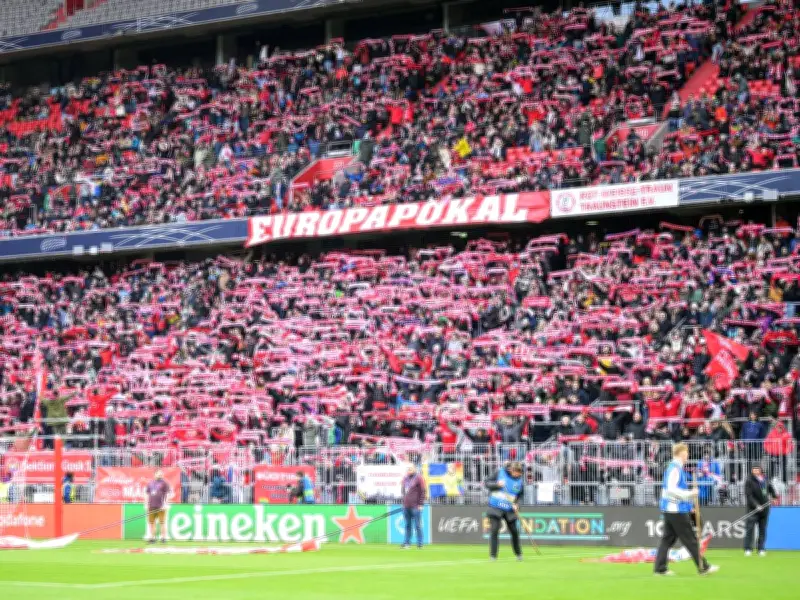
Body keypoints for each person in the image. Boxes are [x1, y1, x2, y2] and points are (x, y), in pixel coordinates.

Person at [653, 443, 719, 576]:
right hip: (676, 510)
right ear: (682, 453)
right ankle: (703, 567)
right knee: (690, 539)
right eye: (686, 452)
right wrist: (690, 494)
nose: (688, 455)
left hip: (672, 509)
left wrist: (689, 504)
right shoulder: (675, 469)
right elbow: (671, 489)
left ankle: (660, 568)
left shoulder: (675, 468)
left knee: (667, 539)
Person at [485, 461, 524, 562]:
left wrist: (517, 504)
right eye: (517, 472)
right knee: (494, 530)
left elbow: (520, 496)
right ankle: (493, 556)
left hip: (509, 509)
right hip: (495, 507)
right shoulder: (499, 473)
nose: (518, 475)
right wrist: (497, 484)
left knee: (515, 531)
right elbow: (487, 483)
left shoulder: (519, 481)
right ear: (511, 470)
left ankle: (519, 554)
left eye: (520, 473)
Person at [744, 465, 777, 556]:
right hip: (753, 510)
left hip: (765, 509)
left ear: (761, 470)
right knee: (749, 529)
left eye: (757, 469)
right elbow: (749, 496)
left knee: (762, 529)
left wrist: (774, 497)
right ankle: (748, 549)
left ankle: (761, 548)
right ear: (752, 470)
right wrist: (756, 505)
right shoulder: (749, 480)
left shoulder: (765, 479)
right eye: (754, 469)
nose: (756, 471)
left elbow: (771, 489)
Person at [401, 464, 426, 549]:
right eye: (408, 469)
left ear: (415, 469)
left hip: (416, 506)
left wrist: (421, 504)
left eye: (411, 469)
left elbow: (423, 491)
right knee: (407, 525)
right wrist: (403, 503)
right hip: (406, 506)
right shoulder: (405, 478)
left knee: (417, 525)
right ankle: (407, 543)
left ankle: (420, 543)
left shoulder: (419, 478)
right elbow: (403, 491)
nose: (409, 470)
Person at [144, 470, 171, 544]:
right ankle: (152, 538)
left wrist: (165, 504)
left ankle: (163, 538)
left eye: (161, 474)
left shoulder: (165, 483)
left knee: (162, 522)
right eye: (158, 474)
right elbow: (147, 494)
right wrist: (146, 504)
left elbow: (168, 494)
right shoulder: (150, 483)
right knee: (152, 523)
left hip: (161, 506)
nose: (160, 475)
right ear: (154, 474)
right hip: (151, 506)